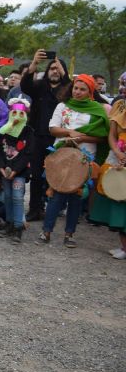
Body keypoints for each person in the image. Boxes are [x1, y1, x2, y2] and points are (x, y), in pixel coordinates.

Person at [35, 74, 108, 248]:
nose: (78, 92)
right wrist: (69, 134)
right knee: (57, 193)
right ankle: (46, 231)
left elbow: (101, 136)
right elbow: (53, 128)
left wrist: (81, 138)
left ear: (90, 92)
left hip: (84, 158)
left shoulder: (97, 109)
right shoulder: (63, 106)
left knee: (76, 196)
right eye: (76, 88)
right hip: (62, 155)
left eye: (83, 89)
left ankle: (69, 234)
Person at [20, 50, 72, 222]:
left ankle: (54, 209)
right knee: (35, 175)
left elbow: (73, 87)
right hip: (37, 137)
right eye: (51, 68)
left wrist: (64, 73)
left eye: (58, 69)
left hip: (57, 139)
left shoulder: (67, 90)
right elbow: (25, 86)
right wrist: (34, 63)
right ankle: (35, 209)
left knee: (56, 175)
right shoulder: (40, 87)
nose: (55, 71)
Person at [89, 96, 126, 258]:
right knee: (118, 199)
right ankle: (124, 247)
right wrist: (118, 152)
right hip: (118, 157)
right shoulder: (120, 105)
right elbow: (112, 135)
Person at [0, 97, 34, 244]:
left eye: (21, 114)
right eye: (14, 113)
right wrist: (1, 167)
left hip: (20, 172)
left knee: (17, 197)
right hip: (5, 170)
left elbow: (28, 153)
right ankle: (9, 224)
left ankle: (18, 227)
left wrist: (16, 170)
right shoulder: (4, 130)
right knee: (8, 197)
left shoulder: (28, 132)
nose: (17, 116)